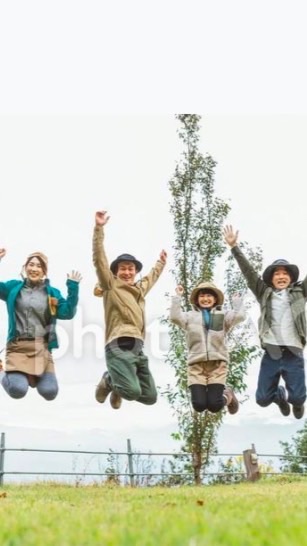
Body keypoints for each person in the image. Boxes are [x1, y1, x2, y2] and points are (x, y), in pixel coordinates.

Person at [224, 225, 307, 419]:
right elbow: (249, 273)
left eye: (285, 273)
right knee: (262, 399)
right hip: (272, 352)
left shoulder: (300, 292)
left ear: (291, 277)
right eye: (277, 273)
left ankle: (296, 401)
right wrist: (234, 247)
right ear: (271, 278)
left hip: (293, 352)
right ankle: (279, 396)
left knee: (298, 397)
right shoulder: (264, 293)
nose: (281, 276)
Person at [92, 209, 167, 410]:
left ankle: (117, 385)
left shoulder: (140, 289)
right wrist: (99, 229)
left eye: (130, 269)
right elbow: (99, 260)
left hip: (137, 349)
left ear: (135, 271)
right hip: (116, 346)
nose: (126, 272)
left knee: (150, 397)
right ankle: (110, 380)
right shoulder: (110, 285)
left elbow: (152, 277)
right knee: (132, 392)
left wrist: (161, 263)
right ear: (115, 272)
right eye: (122, 268)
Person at [0, 247, 81, 400]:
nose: (34, 268)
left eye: (39, 266)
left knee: (50, 392)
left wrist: (73, 288)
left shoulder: (52, 293)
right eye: (31, 264)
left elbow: (68, 313)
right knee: (17, 390)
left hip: (41, 349)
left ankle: (31, 376)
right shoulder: (13, 288)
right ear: (25, 267)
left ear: (44, 271)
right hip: (17, 348)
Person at [170, 281, 245, 415]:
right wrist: (177, 297)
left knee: (214, 405)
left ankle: (228, 395)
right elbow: (175, 317)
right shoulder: (189, 316)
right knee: (199, 405)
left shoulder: (222, 315)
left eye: (209, 295)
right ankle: (217, 395)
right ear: (197, 299)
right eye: (202, 296)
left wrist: (237, 302)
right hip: (196, 365)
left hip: (217, 364)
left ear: (215, 299)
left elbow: (240, 316)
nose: (205, 299)